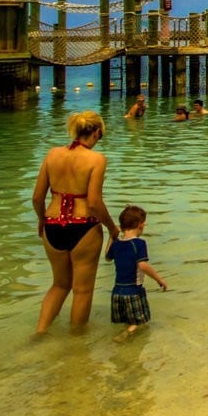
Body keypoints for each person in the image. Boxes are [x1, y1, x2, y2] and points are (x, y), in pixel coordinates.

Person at [33, 110, 118, 333]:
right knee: (82, 291)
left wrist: (42, 220)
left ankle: (40, 333)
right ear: (97, 132)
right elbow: (94, 202)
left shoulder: (52, 154)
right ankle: (77, 347)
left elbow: (37, 197)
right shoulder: (96, 159)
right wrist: (112, 227)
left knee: (59, 285)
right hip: (83, 226)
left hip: (52, 226)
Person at [106, 205, 167, 337]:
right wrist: (159, 279)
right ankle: (126, 334)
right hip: (133, 291)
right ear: (141, 224)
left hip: (116, 293)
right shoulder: (139, 243)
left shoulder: (116, 243)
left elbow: (107, 258)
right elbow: (143, 265)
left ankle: (123, 340)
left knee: (123, 322)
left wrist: (111, 237)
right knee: (140, 321)